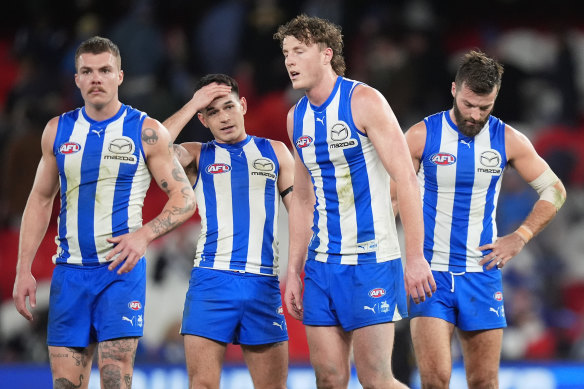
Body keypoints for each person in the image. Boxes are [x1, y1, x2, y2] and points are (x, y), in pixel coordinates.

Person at [12, 36, 196, 389]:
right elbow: (39, 199)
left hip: (120, 272)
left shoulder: (146, 131)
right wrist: (23, 270)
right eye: (87, 71)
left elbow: (184, 199)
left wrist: (144, 236)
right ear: (77, 79)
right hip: (70, 275)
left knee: (115, 380)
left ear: (120, 76)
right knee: (65, 385)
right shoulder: (57, 131)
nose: (96, 78)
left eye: (104, 70)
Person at [273, 15, 435, 388]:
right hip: (321, 265)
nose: (290, 61)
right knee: (328, 379)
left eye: (299, 51)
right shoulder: (296, 118)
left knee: (376, 380)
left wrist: (415, 257)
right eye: (286, 53)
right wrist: (294, 271)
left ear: (327, 54)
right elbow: (301, 197)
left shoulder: (363, 101)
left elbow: (407, 179)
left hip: (372, 261)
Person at [397, 50, 567, 388]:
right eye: (468, 104)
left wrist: (520, 236)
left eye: (484, 107)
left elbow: (555, 191)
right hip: (431, 275)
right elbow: (390, 197)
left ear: (495, 99)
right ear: (454, 90)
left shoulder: (508, 140)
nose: (474, 115)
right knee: (434, 380)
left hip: (482, 274)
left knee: (485, 382)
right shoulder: (419, 136)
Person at [162, 73, 295, 389]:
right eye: (213, 112)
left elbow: (303, 214)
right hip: (212, 281)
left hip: (263, 283)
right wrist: (195, 101)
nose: (223, 117)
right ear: (202, 119)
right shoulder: (196, 154)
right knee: (203, 385)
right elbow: (152, 145)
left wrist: (299, 268)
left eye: (229, 107)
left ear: (244, 106)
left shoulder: (276, 152)